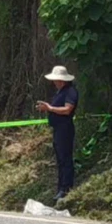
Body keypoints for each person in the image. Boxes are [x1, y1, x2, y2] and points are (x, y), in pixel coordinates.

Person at [36, 65, 79, 201]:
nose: (54, 83)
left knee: (65, 159)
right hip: (58, 129)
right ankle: (60, 188)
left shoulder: (70, 92)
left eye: (56, 80)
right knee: (60, 159)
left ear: (62, 80)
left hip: (65, 128)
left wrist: (50, 108)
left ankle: (66, 188)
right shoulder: (60, 92)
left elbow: (67, 110)